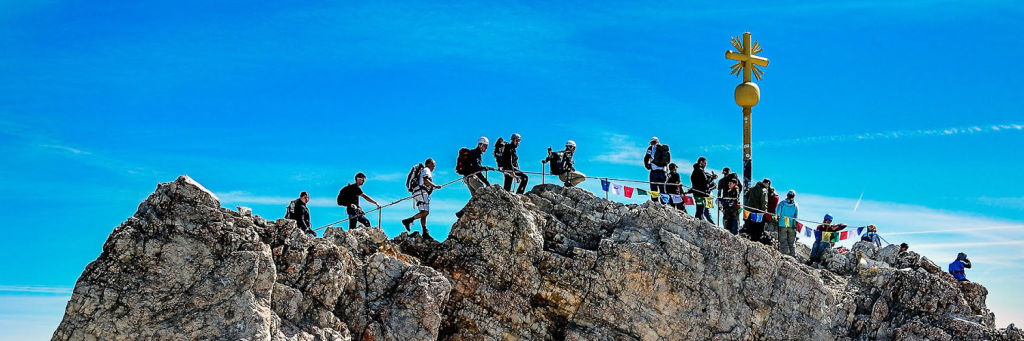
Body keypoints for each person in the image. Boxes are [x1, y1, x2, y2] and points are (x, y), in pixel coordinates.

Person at [402, 158, 443, 239]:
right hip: (422, 192)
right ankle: (408, 220)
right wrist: (435, 186)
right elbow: (425, 179)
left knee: (423, 213)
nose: (434, 167)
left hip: (417, 192)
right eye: (433, 165)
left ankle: (424, 232)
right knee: (426, 212)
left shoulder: (422, 170)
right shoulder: (426, 169)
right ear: (429, 164)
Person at [455, 137, 494, 218]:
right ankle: (463, 212)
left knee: (475, 197)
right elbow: (477, 169)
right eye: (485, 146)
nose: (486, 148)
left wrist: (486, 182)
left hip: (467, 178)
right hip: (472, 178)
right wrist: (485, 168)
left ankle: (461, 213)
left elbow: (477, 170)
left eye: (487, 146)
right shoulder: (476, 154)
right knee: (482, 193)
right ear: (480, 145)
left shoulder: (474, 153)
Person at [689, 157, 717, 223]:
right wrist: (712, 178)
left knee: (699, 208)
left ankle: (697, 222)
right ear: (701, 162)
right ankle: (699, 223)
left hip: (697, 193)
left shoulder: (695, 170)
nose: (705, 164)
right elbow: (705, 181)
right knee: (700, 209)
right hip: (700, 193)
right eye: (705, 163)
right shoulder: (700, 170)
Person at [743, 179, 770, 244]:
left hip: (750, 211)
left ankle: (751, 242)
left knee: (752, 229)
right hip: (759, 212)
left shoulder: (752, 189)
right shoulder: (764, 190)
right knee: (759, 229)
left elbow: (746, 195)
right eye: (768, 184)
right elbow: (764, 202)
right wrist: (764, 212)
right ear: (766, 184)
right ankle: (757, 244)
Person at [644, 137, 670, 203]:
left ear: (652, 142)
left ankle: (655, 203)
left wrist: (647, 165)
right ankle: (664, 203)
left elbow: (646, 157)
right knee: (663, 189)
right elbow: (668, 160)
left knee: (654, 189)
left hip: (654, 172)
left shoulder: (651, 148)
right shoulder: (663, 149)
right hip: (663, 172)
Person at [775, 190, 799, 257]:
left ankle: (784, 255)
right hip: (792, 225)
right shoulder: (796, 205)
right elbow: (796, 216)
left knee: (783, 241)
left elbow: (777, 213)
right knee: (792, 242)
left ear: (787, 195)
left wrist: (777, 218)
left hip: (782, 224)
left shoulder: (782, 203)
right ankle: (793, 255)